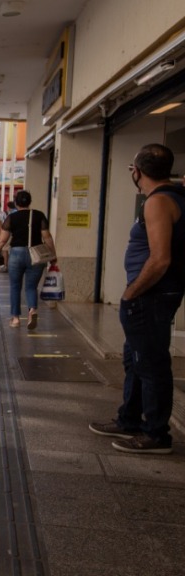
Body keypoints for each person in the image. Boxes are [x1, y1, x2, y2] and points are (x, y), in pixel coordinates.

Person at [89, 144, 185, 455]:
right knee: (136, 360)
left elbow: (160, 259)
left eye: (132, 168)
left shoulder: (158, 202)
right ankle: (129, 418)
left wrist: (132, 293)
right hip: (154, 294)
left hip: (150, 295)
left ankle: (156, 433)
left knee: (151, 364)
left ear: (137, 171)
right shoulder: (173, 195)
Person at [0, 190, 57, 329]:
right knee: (31, 287)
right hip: (36, 254)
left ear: (16, 202)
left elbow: (2, 240)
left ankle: (15, 319)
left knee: (15, 286)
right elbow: (47, 237)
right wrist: (53, 256)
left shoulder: (11, 218)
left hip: (17, 254)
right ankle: (32, 310)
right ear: (29, 201)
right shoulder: (39, 215)